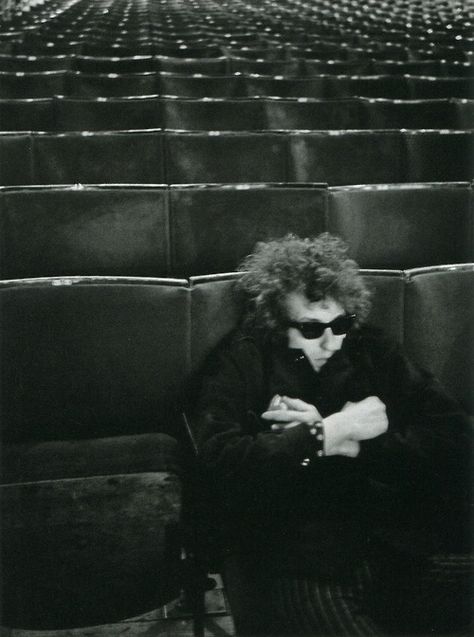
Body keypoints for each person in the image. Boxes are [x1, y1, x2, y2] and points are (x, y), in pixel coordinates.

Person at [192, 233, 472, 636]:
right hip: (304, 564)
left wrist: (362, 444)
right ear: (274, 320)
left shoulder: (372, 348)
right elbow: (219, 460)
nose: (331, 340)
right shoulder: (242, 359)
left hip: (398, 548)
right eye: (310, 328)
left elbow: (455, 436)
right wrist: (327, 432)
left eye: (340, 323)